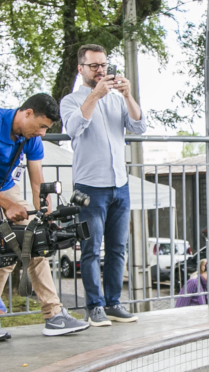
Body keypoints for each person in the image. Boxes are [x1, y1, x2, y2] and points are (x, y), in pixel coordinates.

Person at [0, 93, 90, 340]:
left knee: (36, 242)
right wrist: (7, 204)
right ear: (27, 113)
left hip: (6, 188)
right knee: (6, 249)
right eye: (41, 126)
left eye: (46, 129)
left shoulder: (30, 136)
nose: (42, 133)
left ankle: (54, 315)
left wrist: (45, 212)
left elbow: (37, 179)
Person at [60, 44, 146, 327]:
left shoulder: (117, 99)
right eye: (94, 65)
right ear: (81, 69)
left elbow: (139, 127)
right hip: (89, 186)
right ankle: (94, 306)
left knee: (118, 248)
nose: (101, 70)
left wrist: (128, 95)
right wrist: (95, 96)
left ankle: (112, 304)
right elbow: (73, 129)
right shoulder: (71, 101)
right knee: (90, 248)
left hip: (119, 184)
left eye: (104, 65)